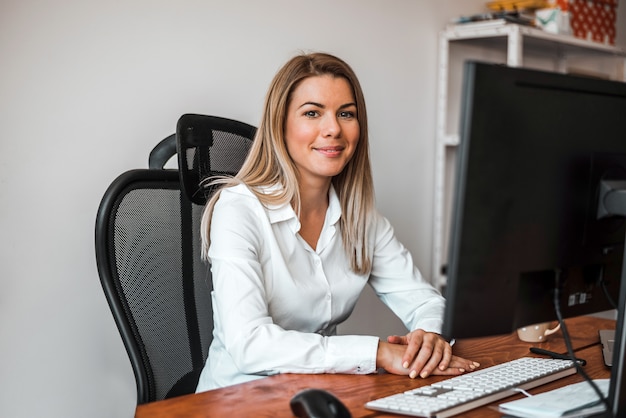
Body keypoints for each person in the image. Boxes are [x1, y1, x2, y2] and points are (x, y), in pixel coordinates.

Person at [195, 52, 479, 392]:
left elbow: (427, 302)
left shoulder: (360, 218)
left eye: (346, 114)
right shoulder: (239, 209)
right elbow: (249, 344)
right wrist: (377, 353)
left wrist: (429, 338)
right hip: (236, 399)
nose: (333, 129)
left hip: (317, 394)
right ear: (280, 124)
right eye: (312, 113)